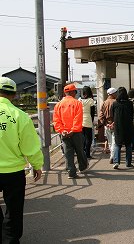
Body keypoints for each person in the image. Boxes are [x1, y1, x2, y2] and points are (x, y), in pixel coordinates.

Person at [0, 77, 43, 243]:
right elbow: (30, 146)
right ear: (14, 95)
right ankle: (10, 239)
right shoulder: (20, 116)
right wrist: (37, 165)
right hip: (13, 172)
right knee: (14, 209)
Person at [53, 83, 89, 179]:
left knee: (68, 153)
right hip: (76, 132)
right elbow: (78, 118)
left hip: (64, 133)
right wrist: (73, 130)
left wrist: (62, 130)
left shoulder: (58, 105)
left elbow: (56, 120)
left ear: (65, 93)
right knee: (80, 150)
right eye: (75, 91)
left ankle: (71, 172)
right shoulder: (77, 103)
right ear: (73, 92)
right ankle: (82, 167)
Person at [111, 87, 134, 169]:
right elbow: (132, 114)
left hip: (118, 126)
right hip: (128, 126)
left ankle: (116, 162)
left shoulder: (115, 103)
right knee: (128, 145)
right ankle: (128, 163)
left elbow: (112, 114)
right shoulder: (130, 103)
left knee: (118, 144)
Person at [98, 87, 117, 164]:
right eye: (115, 93)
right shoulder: (116, 102)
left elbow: (101, 115)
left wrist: (105, 123)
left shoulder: (104, 103)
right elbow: (117, 115)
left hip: (107, 125)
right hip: (115, 124)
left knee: (109, 142)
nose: (116, 94)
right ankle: (113, 156)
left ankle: (111, 155)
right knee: (114, 141)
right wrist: (114, 123)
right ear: (112, 94)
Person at [79, 86, 95, 159]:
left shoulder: (79, 100)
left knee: (82, 138)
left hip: (80, 120)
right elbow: (92, 113)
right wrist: (92, 121)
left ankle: (82, 153)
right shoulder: (91, 100)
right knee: (88, 138)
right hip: (88, 120)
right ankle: (87, 154)